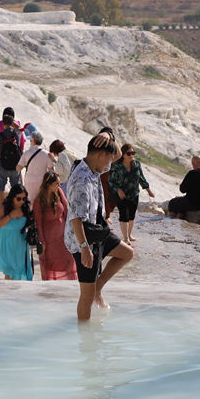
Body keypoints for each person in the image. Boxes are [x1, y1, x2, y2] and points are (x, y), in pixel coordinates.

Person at [66, 134, 135, 321]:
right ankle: (85, 339)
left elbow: (118, 155)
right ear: (101, 155)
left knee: (127, 253)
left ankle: (98, 287)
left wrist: (109, 135)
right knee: (86, 297)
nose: (110, 165)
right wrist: (84, 248)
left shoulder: (93, 167)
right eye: (109, 160)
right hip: (85, 238)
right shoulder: (81, 179)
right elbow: (76, 218)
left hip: (98, 231)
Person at [33, 171, 77, 281]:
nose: (59, 186)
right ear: (48, 185)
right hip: (50, 240)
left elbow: (67, 210)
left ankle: (71, 285)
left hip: (63, 237)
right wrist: (42, 242)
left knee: (69, 262)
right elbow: (38, 224)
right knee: (51, 265)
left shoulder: (59, 193)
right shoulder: (38, 202)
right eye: (56, 184)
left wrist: (72, 231)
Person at [108, 143, 155, 242]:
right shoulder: (116, 166)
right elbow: (111, 181)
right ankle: (125, 238)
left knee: (132, 216)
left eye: (133, 153)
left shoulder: (137, 164)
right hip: (121, 195)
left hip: (134, 193)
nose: (131, 156)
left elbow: (141, 178)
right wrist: (118, 190)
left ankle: (129, 235)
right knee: (124, 215)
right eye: (129, 153)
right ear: (123, 155)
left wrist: (149, 191)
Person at [0, 183, 35, 280]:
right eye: (18, 198)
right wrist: (10, 216)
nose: (21, 201)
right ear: (12, 197)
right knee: (9, 270)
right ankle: (8, 293)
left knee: (20, 268)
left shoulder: (25, 208)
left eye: (24, 199)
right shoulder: (3, 208)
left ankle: (18, 293)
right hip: (4, 242)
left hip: (19, 242)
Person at [0, 113, 24, 205]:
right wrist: (15, 126)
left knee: (0, 187)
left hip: (3, 166)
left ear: (2, 124)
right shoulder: (17, 134)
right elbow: (19, 129)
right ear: (12, 123)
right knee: (16, 187)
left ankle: (1, 209)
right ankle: (17, 207)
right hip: (15, 166)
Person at [17, 130, 54, 202]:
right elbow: (51, 170)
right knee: (41, 201)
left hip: (29, 180)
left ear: (34, 140)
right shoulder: (47, 154)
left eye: (31, 140)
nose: (30, 142)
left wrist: (26, 165)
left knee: (30, 202)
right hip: (42, 181)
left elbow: (18, 168)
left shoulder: (27, 153)